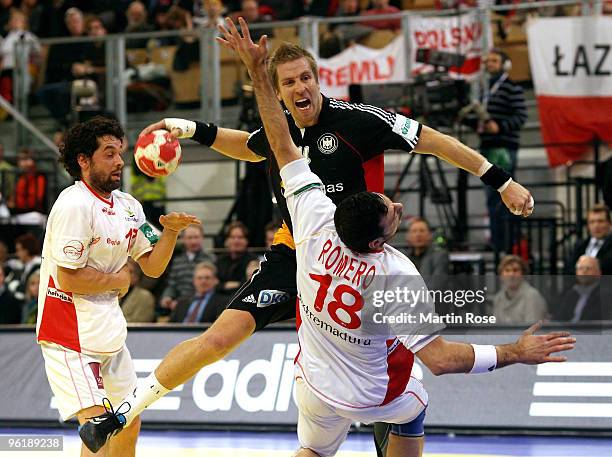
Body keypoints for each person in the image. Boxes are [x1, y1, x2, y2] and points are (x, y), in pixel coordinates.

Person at [78, 18, 536, 454]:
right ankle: (122, 414)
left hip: (359, 268)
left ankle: (385, 427)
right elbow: (251, 146)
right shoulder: (281, 132)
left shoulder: (359, 121)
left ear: (319, 80)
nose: (300, 88)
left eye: (306, 79)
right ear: (276, 93)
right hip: (295, 253)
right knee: (217, 339)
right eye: (289, 83)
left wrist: (500, 179)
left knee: (383, 376)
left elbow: (433, 140)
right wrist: (191, 128)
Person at [37, 116, 199, 457]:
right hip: (69, 332)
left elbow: (153, 267)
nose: (120, 161)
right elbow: (69, 278)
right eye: (109, 153)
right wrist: (120, 280)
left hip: (108, 330)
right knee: (97, 429)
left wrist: (170, 232)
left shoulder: (129, 206)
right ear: (84, 160)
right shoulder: (73, 204)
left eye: (120, 153)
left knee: (129, 418)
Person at [477, 49, 527, 252]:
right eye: (487, 61)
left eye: (495, 60)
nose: (490, 64)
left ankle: (506, 244)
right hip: (488, 146)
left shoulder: (511, 88)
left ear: (505, 64)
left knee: (504, 192)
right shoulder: (483, 88)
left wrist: (500, 126)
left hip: (504, 147)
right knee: (490, 195)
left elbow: (521, 116)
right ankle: (497, 242)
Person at [160, 224, 215, 312]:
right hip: (179, 304)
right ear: (183, 239)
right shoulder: (177, 261)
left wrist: (181, 303)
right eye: (189, 238)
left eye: (196, 237)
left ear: (202, 238)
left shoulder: (211, 259)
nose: (193, 241)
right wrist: (167, 297)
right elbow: (172, 284)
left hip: (202, 304)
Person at [491, 255, 548, 325]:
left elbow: (533, 330)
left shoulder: (532, 296)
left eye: (515, 270)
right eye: (507, 270)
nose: (511, 274)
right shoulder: (498, 298)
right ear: (501, 276)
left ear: (523, 274)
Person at [565, 204, 612, 275]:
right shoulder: (580, 245)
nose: (596, 225)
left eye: (600, 221)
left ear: (609, 224)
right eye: (592, 222)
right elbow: (569, 268)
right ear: (588, 225)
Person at [554, 256, 603, 322]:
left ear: (598, 273)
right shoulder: (570, 294)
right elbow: (557, 319)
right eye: (580, 268)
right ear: (576, 272)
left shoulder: (605, 295)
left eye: (588, 268)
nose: (584, 271)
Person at [215, 221, 256, 294]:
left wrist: (225, 285)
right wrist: (237, 284)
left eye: (240, 237)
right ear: (227, 240)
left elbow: (247, 286)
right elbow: (215, 285)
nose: (236, 241)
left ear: (247, 241)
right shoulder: (220, 260)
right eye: (232, 237)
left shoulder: (253, 261)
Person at [120, 259, 156, 323]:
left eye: (130, 272)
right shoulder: (111, 294)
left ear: (137, 276)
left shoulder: (145, 297)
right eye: (121, 271)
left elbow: (140, 321)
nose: (124, 274)